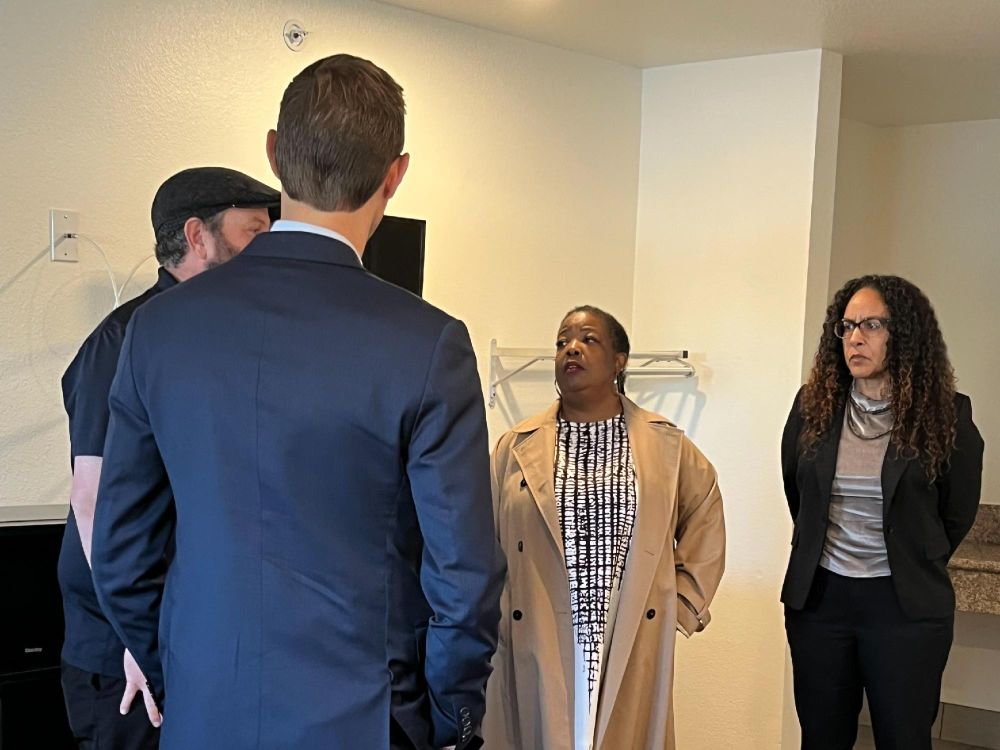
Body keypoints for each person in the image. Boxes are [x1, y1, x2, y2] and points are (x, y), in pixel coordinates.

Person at [89, 54, 504, 750]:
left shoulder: (158, 329)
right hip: (366, 720)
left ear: (276, 154)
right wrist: (450, 721)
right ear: (395, 174)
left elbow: (122, 549)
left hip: (204, 714)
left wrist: (181, 676)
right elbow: (464, 575)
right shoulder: (429, 343)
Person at [58, 166, 278, 749]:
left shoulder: (222, 333)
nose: (270, 250)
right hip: (124, 649)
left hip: (191, 632)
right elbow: (93, 499)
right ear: (198, 236)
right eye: (255, 231)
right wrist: (138, 639)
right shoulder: (124, 338)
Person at [484, 305, 726, 750]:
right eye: (561, 342)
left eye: (588, 339)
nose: (570, 349)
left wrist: (680, 604)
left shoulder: (663, 444)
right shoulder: (515, 446)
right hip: (537, 632)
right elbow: (482, 538)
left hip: (626, 631)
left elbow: (705, 513)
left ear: (620, 361)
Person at [781, 275, 984, 750]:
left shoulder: (947, 415)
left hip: (904, 607)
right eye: (848, 325)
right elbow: (800, 494)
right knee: (822, 737)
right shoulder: (813, 406)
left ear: (904, 336)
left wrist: (910, 555)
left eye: (872, 324)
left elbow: (956, 513)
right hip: (821, 603)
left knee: (904, 738)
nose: (855, 337)